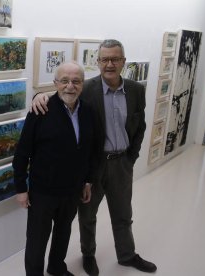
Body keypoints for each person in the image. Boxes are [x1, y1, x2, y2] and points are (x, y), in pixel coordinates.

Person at [32, 39, 157, 275]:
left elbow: (139, 126)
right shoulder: (86, 88)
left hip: (122, 163)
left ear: (123, 61)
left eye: (115, 59)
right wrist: (38, 96)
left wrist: (131, 157)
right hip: (94, 165)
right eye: (104, 59)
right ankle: (88, 255)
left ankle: (127, 255)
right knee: (87, 216)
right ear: (97, 62)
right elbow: (62, 92)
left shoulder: (136, 90)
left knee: (123, 214)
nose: (109, 64)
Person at [13, 61, 97, 276]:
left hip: (72, 190)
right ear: (55, 83)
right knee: (37, 240)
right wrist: (21, 188)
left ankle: (56, 267)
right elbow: (23, 153)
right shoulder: (41, 109)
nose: (70, 86)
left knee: (64, 232)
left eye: (76, 81)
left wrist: (87, 181)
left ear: (82, 84)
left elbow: (89, 150)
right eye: (65, 81)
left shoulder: (88, 111)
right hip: (43, 192)